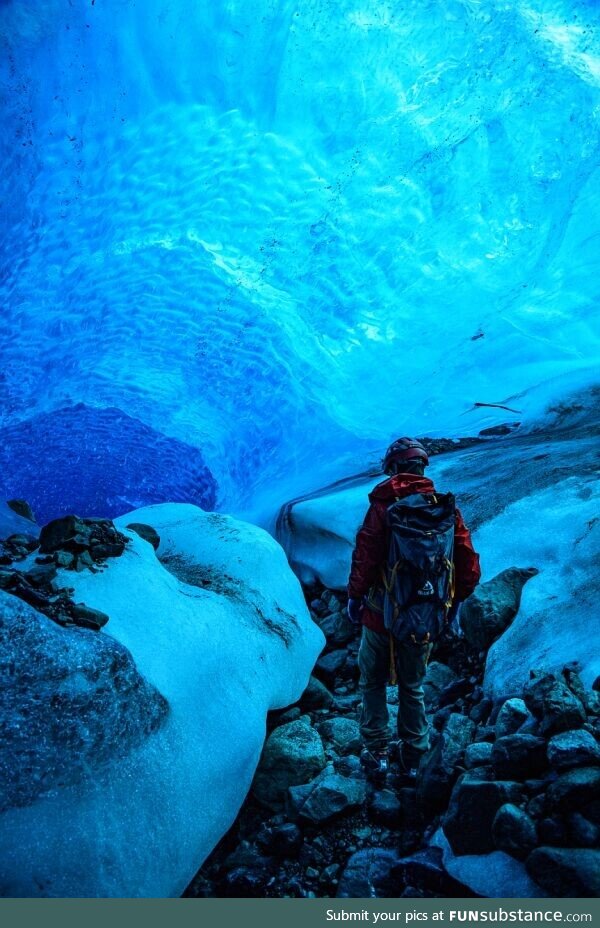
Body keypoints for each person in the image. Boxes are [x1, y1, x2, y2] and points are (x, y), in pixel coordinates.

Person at [347, 437, 481, 782]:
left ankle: (376, 753)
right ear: (422, 468)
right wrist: (453, 602)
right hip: (424, 614)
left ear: (392, 469)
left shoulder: (383, 507)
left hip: (380, 614)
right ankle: (414, 757)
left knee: (373, 682)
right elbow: (466, 561)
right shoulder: (443, 508)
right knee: (413, 685)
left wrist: (355, 596)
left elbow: (365, 556)